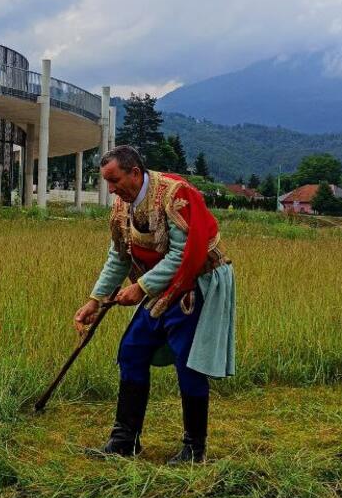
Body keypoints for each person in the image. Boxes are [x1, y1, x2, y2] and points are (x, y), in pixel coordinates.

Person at [74, 145, 236, 463]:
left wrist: (142, 287)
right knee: (132, 349)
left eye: (114, 179)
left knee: (188, 362)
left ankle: (194, 449)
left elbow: (183, 254)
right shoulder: (123, 206)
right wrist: (95, 300)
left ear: (135, 173)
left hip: (194, 281)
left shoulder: (176, 195)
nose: (111, 189)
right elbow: (119, 257)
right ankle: (124, 442)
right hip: (162, 288)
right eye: (106, 182)